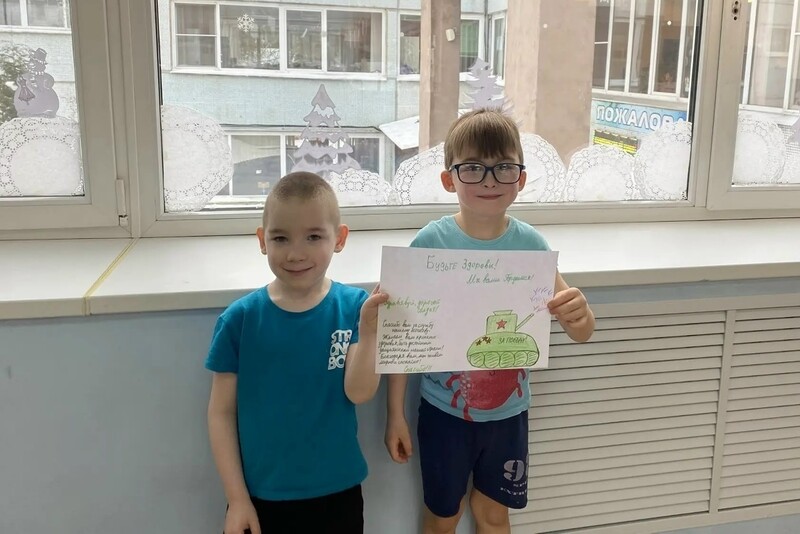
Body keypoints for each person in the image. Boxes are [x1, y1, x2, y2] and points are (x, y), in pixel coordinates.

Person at [384, 109, 596, 534]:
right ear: (449, 180)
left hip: (509, 416)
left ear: (521, 178)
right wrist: (395, 415)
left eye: (503, 167)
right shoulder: (429, 244)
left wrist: (580, 313)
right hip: (444, 413)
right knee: (442, 517)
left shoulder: (532, 245)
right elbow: (402, 339)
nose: (489, 180)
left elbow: (581, 330)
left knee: (494, 515)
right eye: (473, 168)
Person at [206, 172, 388, 534]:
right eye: (280, 238)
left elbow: (359, 392)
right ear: (262, 240)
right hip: (261, 497)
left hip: (338, 492)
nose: (295, 253)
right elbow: (220, 413)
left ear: (339, 239)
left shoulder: (354, 307)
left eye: (313, 237)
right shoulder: (240, 319)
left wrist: (370, 335)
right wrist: (237, 499)